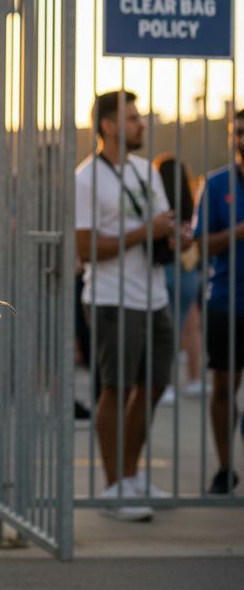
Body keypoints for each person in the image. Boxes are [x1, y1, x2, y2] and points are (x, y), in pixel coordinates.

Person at [75, 91, 184, 520]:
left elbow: (158, 225)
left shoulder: (145, 171)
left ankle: (132, 474)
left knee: (154, 385)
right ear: (108, 125)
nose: (141, 124)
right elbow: (86, 248)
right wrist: (145, 231)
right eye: (133, 117)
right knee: (116, 389)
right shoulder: (87, 178)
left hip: (154, 295)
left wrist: (175, 236)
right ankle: (113, 486)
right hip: (111, 298)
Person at [191, 109, 244, 495]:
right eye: (237, 132)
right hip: (227, 302)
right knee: (224, 387)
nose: (241, 138)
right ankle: (226, 467)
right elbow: (201, 243)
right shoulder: (217, 183)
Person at [152, 152, 202, 402]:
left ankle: (165, 384)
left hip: (165, 268)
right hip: (188, 271)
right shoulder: (189, 201)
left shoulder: (158, 203)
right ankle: (193, 379)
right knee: (186, 326)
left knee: (162, 332)